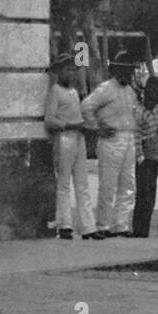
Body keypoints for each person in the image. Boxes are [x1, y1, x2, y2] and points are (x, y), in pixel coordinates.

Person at [80, 50, 141, 238]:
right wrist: (97, 128)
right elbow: (86, 106)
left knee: (128, 184)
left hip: (128, 138)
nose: (127, 74)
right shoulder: (106, 88)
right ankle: (103, 225)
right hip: (111, 140)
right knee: (108, 185)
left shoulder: (131, 91)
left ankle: (121, 225)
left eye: (130, 71)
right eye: (123, 70)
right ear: (115, 70)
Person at [44, 52, 100, 241]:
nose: (71, 73)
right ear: (59, 72)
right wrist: (69, 125)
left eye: (73, 69)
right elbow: (50, 120)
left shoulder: (74, 92)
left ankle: (88, 227)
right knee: (64, 183)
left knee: (82, 183)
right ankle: (65, 225)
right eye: (67, 69)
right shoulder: (55, 92)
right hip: (65, 137)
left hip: (78, 137)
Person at [132, 76, 158, 238]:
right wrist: (140, 159)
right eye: (153, 96)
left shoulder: (156, 116)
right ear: (146, 94)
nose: (155, 100)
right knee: (143, 197)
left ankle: (144, 231)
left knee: (150, 199)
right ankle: (138, 231)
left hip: (154, 163)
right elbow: (136, 139)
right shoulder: (139, 113)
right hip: (144, 162)